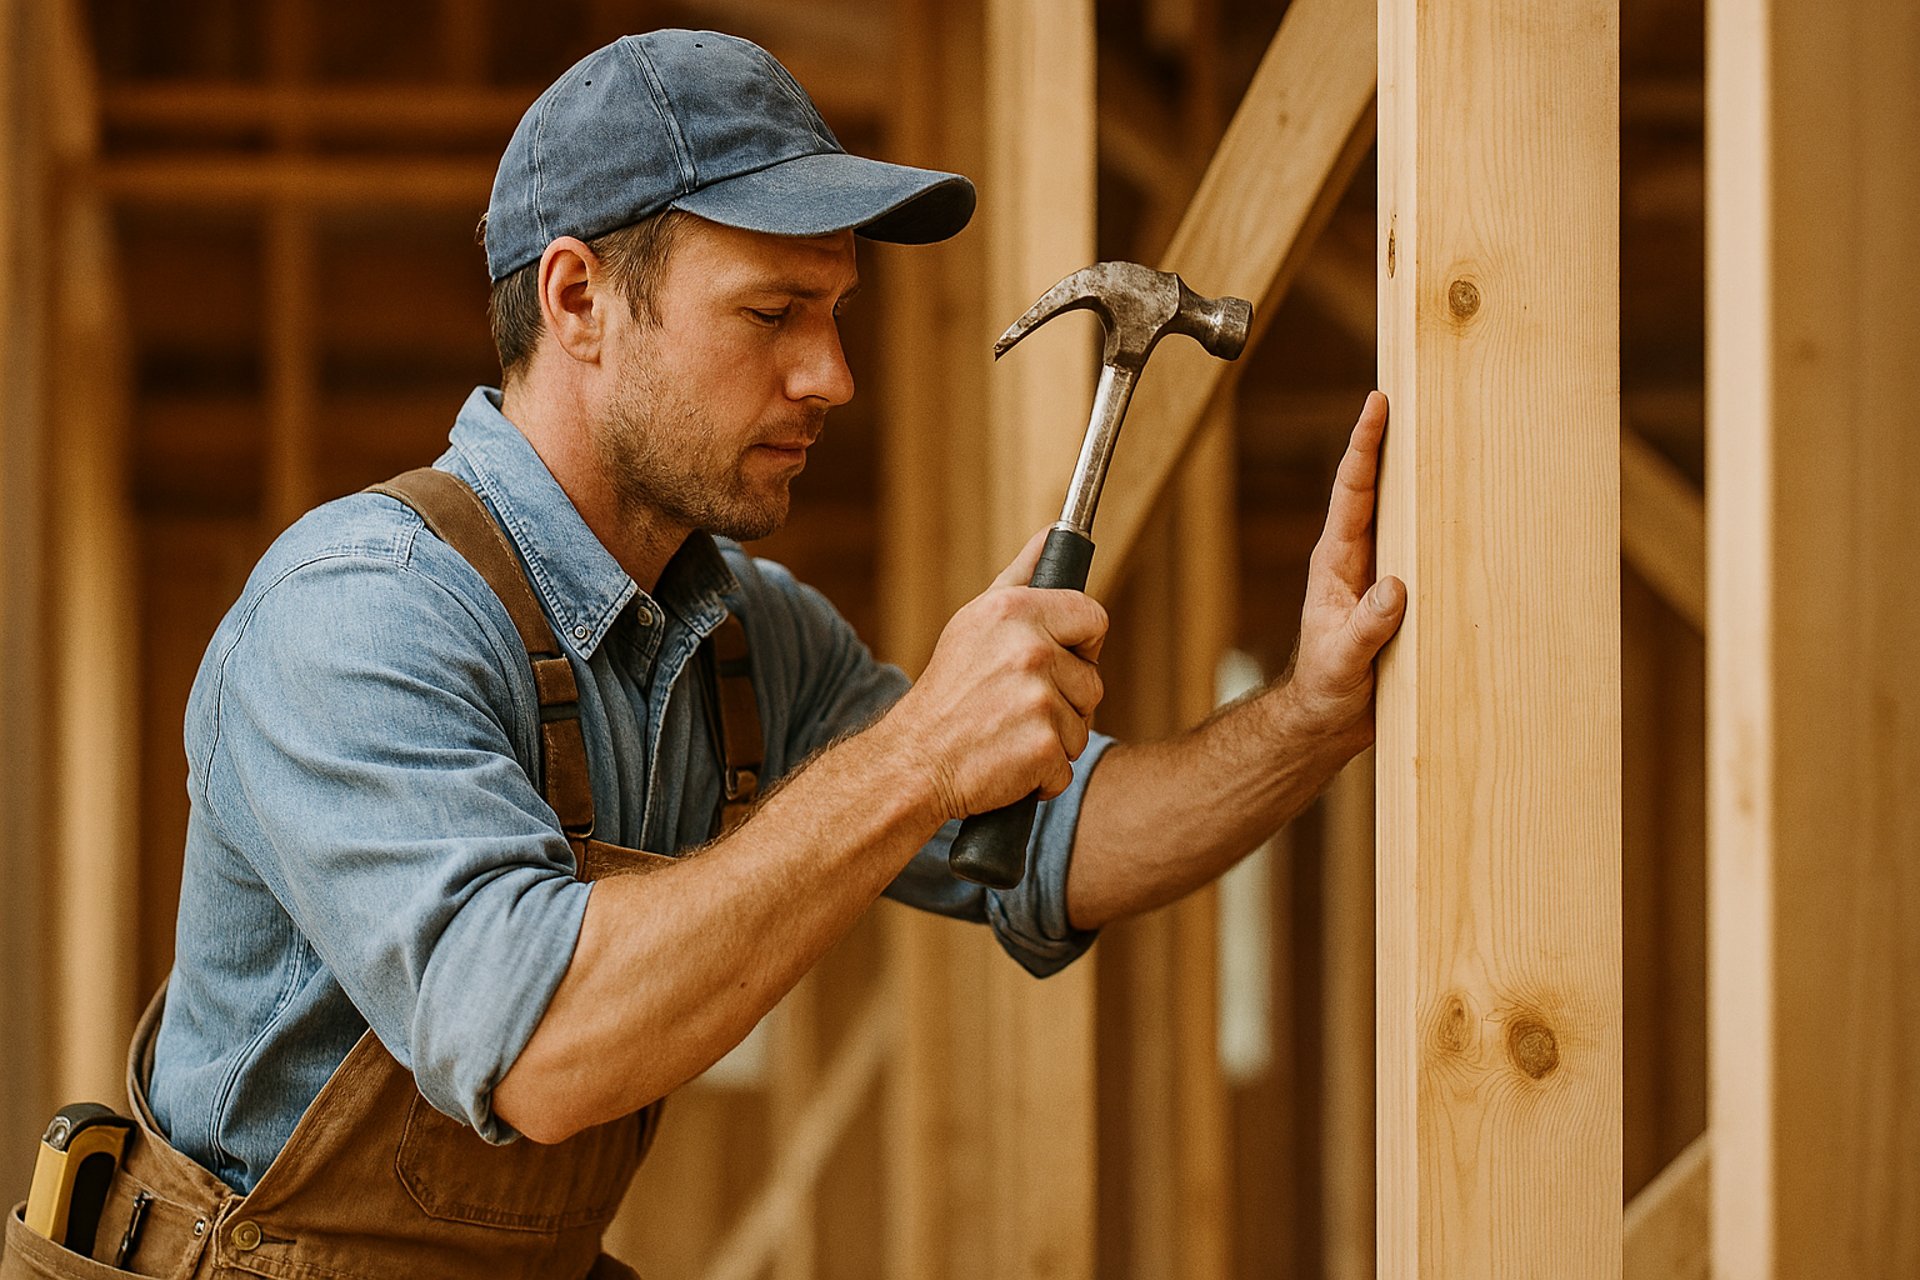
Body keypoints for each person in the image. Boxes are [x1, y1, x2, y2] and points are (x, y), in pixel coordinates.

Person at [45, 28, 1406, 1280]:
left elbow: (1058, 843)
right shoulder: (358, 617)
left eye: (837, 313)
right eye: (772, 315)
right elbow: (543, 1048)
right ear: (577, 298)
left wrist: (1310, 715)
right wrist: (919, 751)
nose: (832, 375)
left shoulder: (749, 637)